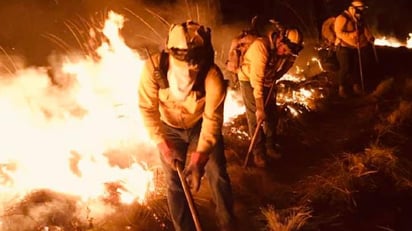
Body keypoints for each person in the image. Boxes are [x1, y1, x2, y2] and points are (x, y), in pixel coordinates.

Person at [138, 20, 236, 231]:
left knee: (217, 170)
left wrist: (199, 158)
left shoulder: (212, 77)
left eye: (195, 64)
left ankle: (227, 223)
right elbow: (147, 109)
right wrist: (164, 146)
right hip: (169, 128)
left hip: (199, 124)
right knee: (174, 180)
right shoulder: (153, 68)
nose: (190, 70)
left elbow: (212, 120)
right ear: (171, 53)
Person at [237, 19, 304, 167]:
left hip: (267, 78)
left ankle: (270, 146)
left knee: (272, 114)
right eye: (286, 50)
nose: (286, 54)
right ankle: (258, 153)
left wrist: (282, 70)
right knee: (256, 116)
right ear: (280, 41)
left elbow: (286, 64)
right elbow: (257, 81)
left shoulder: (285, 50)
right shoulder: (261, 48)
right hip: (249, 79)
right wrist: (260, 108)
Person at [334, 0, 376, 98]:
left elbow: (364, 28)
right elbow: (338, 32)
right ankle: (341, 88)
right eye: (360, 9)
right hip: (343, 47)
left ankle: (356, 86)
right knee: (346, 67)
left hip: (356, 47)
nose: (362, 12)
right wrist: (351, 35)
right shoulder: (342, 18)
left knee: (356, 67)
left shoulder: (359, 17)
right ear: (353, 9)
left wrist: (369, 36)